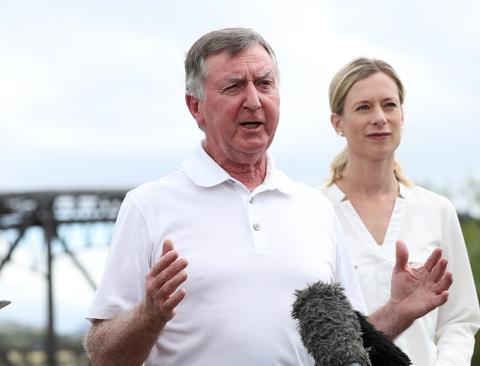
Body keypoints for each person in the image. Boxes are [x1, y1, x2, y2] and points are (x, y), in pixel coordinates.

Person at [84, 28, 452, 365]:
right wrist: (148, 315)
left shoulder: (314, 209)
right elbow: (102, 355)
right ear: (195, 107)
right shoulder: (148, 206)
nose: (254, 101)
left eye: (265, 84)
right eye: (233, 87)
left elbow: (344, 346)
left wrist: (398, 311)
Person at [320, 57, 480, 365]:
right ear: (337, 123)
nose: (380, 117)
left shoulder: (437, 211)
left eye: (389, 105)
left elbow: (459, 320)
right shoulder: (313, 213)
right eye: (363, 107)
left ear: (402, 115)